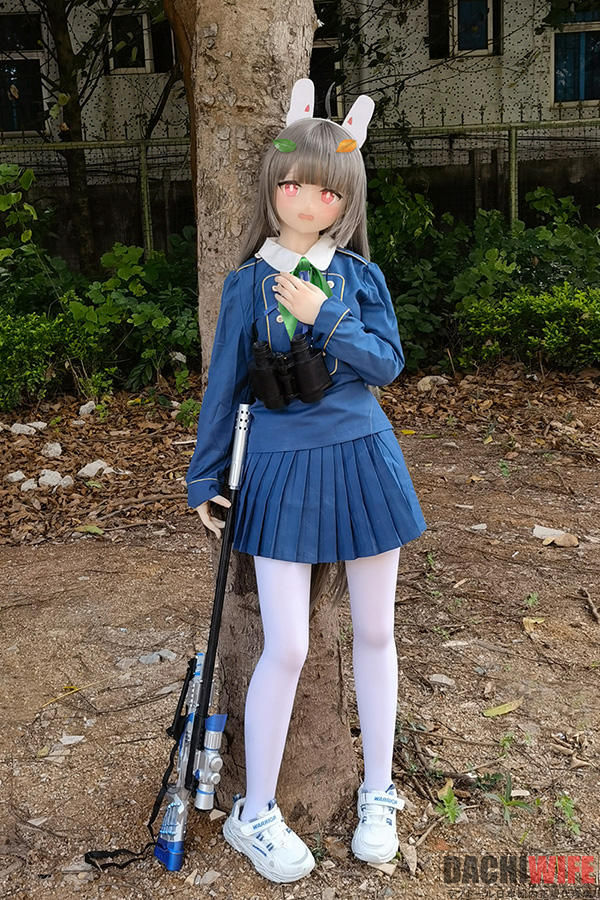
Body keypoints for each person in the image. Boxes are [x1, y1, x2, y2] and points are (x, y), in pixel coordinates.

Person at [186, 79, 426, 884]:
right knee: (286, 643)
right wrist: (204, 479)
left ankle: (379, 792)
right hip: (279, 469)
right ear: (273, 187)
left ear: (344, 201)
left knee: (376, 632)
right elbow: (224, 389)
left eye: (326, 191)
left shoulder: (359, 279)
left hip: (363, 459)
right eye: (292, 184)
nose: (306, 200)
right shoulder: (246, 284)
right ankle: (253, 811)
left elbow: (386, 365)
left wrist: (326, 316)